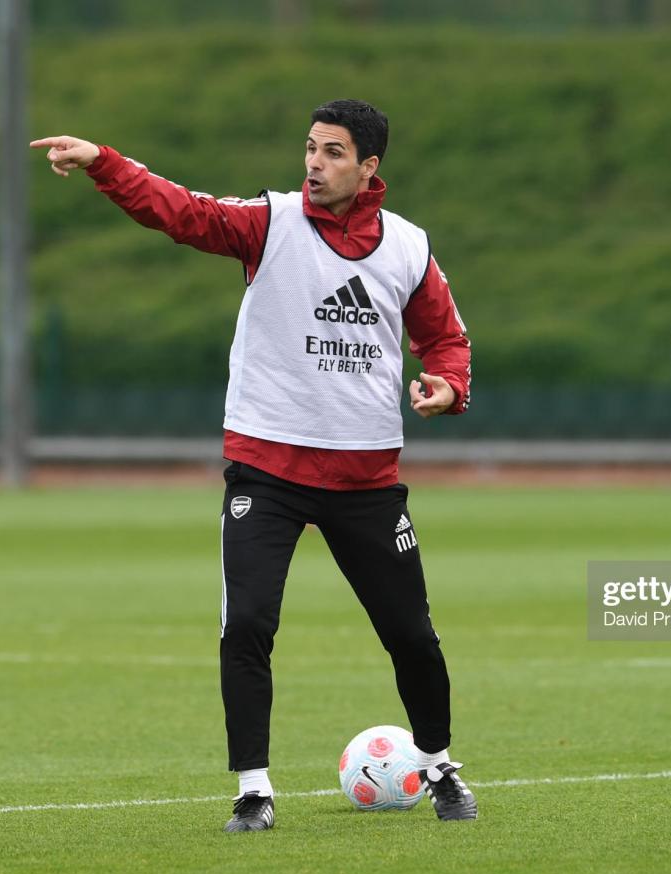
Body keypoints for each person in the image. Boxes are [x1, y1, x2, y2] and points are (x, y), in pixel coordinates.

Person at [31, 99, 478, 832]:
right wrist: (104, 164)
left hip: (366, 481)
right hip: (266, 470)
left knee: (411, 633)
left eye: (334, 152)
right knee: (246, 625)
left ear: (370, 167)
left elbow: (446, 337)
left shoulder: (407, 246)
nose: (314, 163)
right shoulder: (270, 222)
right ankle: (253, 788)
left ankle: (437, 764)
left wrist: (446, 385)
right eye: (310, 147)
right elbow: (179, 211)